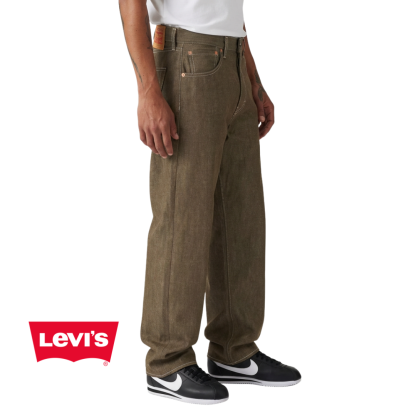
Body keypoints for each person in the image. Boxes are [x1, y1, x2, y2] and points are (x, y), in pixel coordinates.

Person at [119, 0, 301, 404]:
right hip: (186, 59)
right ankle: (167, 361)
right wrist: (148, 91)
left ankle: (234, 350)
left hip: (233, 61)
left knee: (241, 217)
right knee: (182, 216)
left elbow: (227, 12)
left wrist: (252, 79)